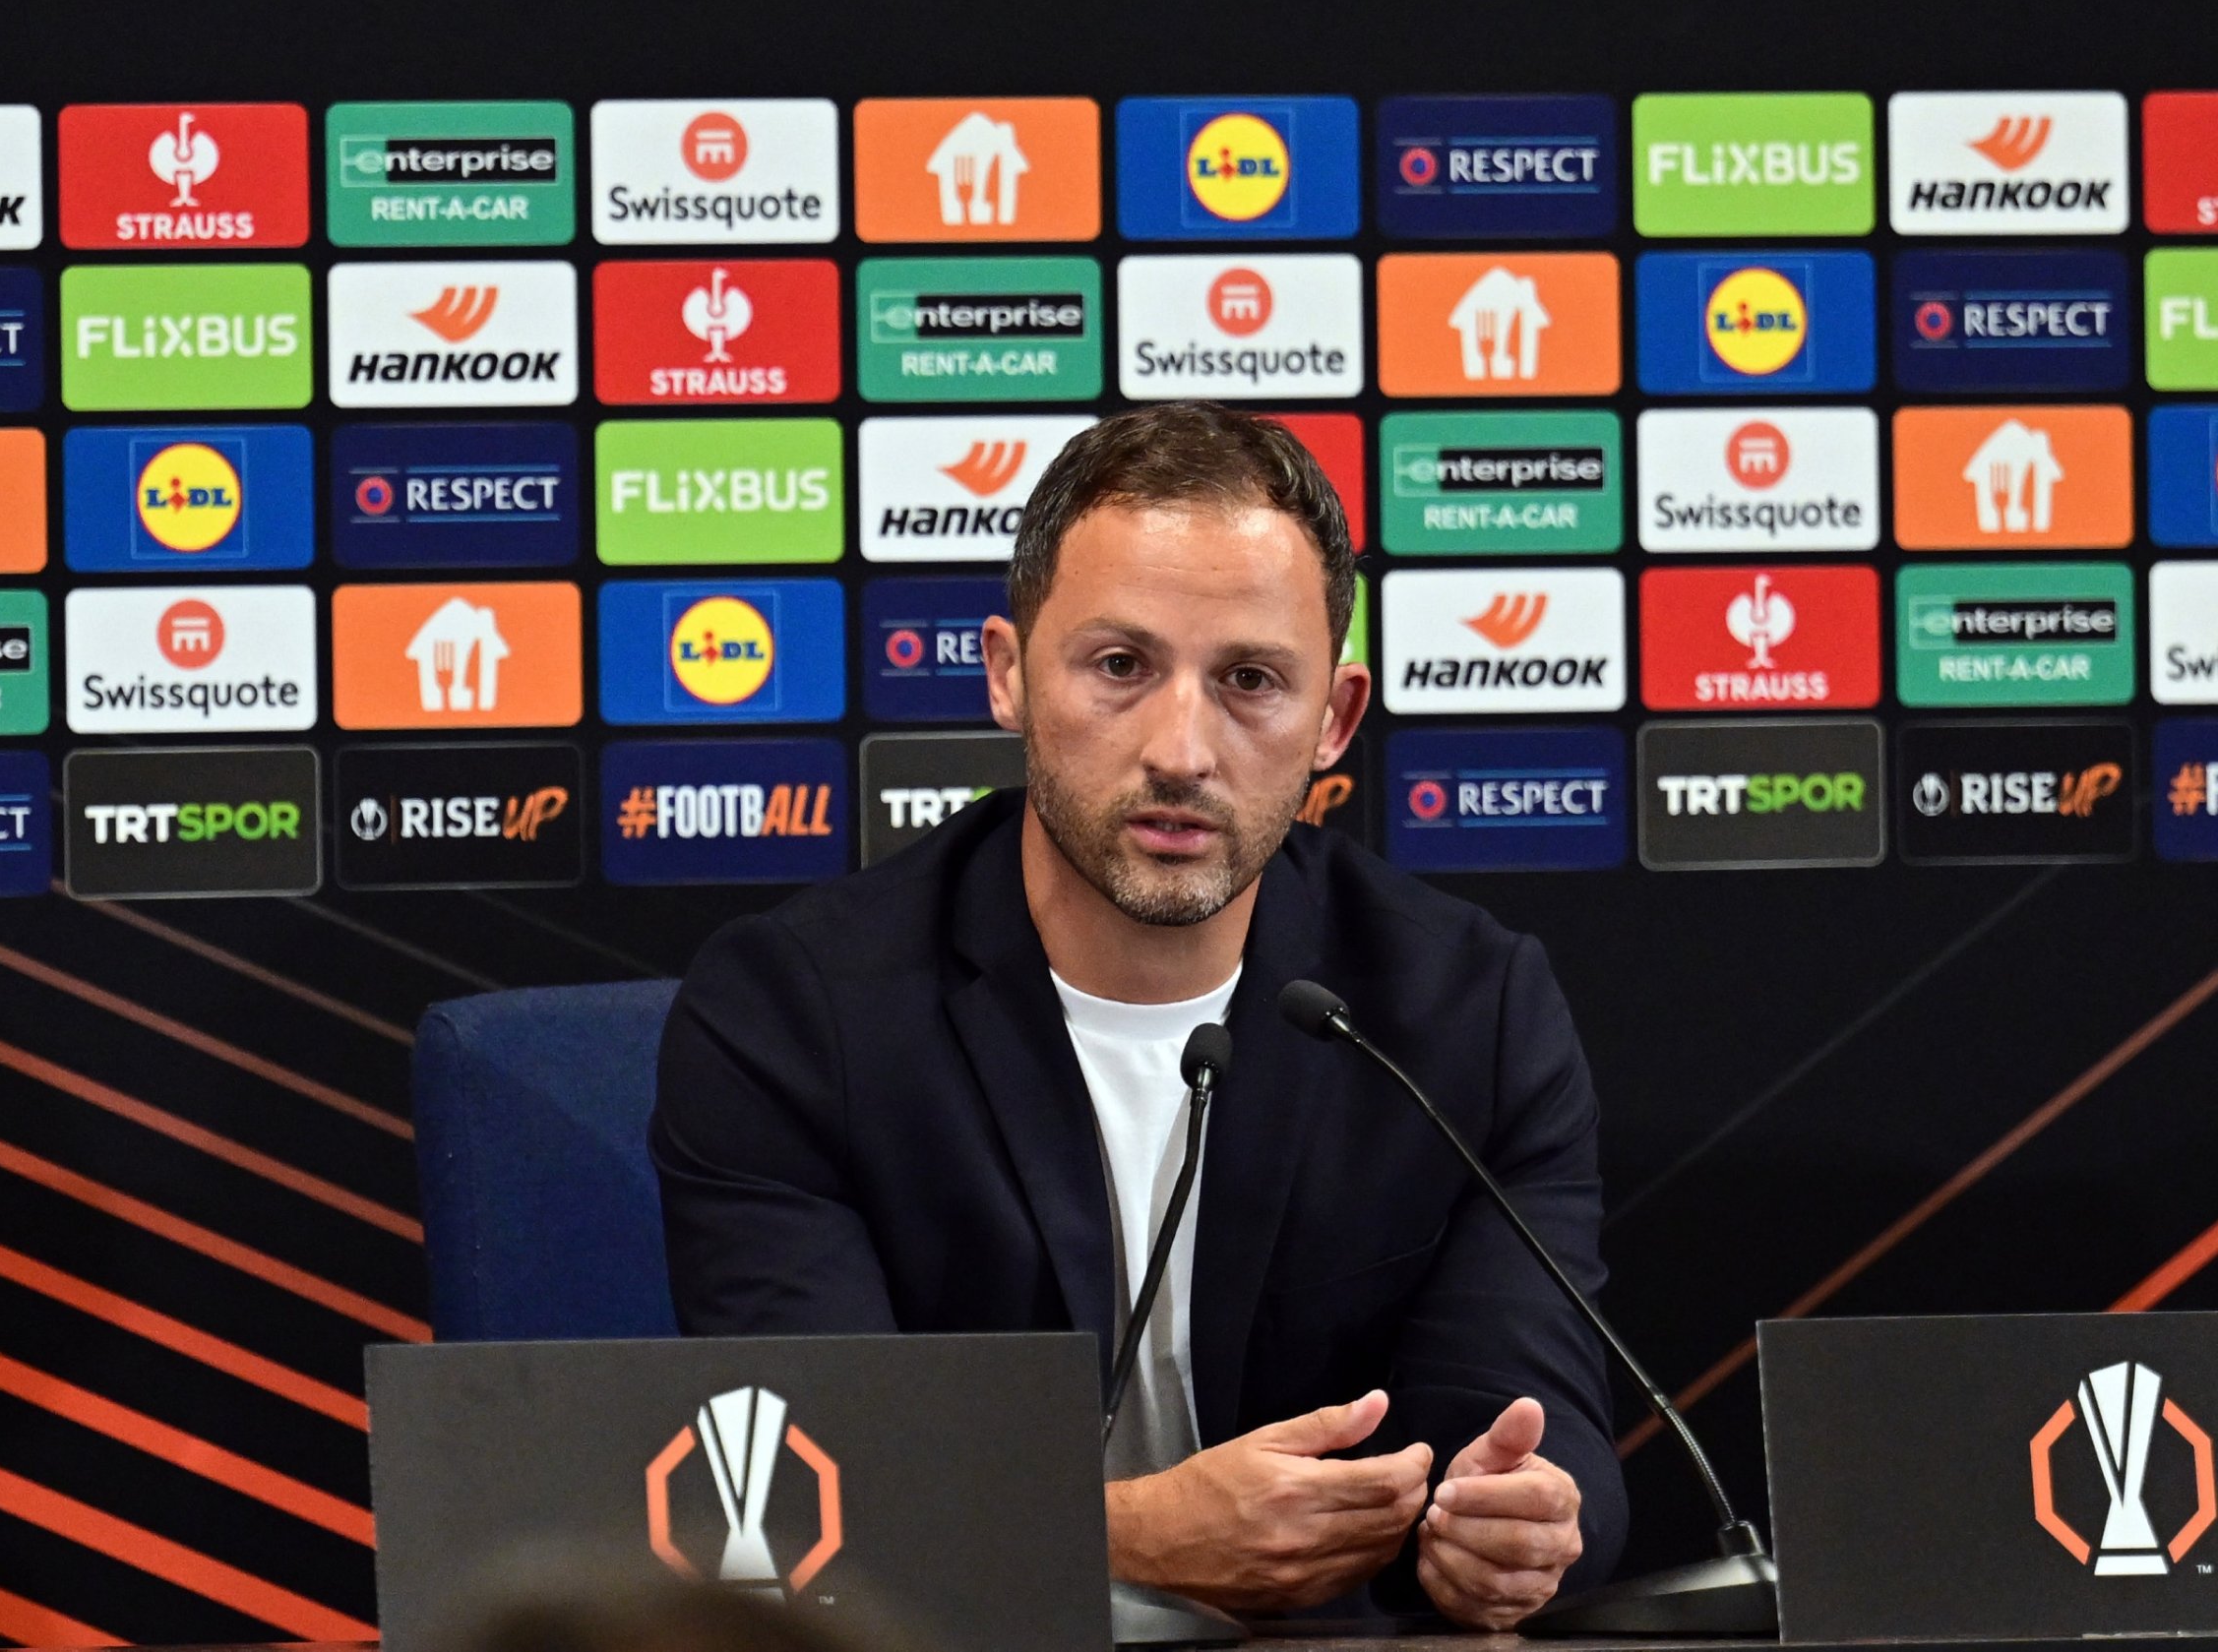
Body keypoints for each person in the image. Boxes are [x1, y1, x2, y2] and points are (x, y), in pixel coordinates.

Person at [651, 403, 1621, 1627]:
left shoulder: (1460, 1012)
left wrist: (1514, 1527)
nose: (1181, 748)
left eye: (1252, 682)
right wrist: (1132, 1535)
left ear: (1335, 718)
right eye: (1121, 666)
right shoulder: (797, 1014)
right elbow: (789, 1498)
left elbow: (1533, 1428)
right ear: (1008, 674)